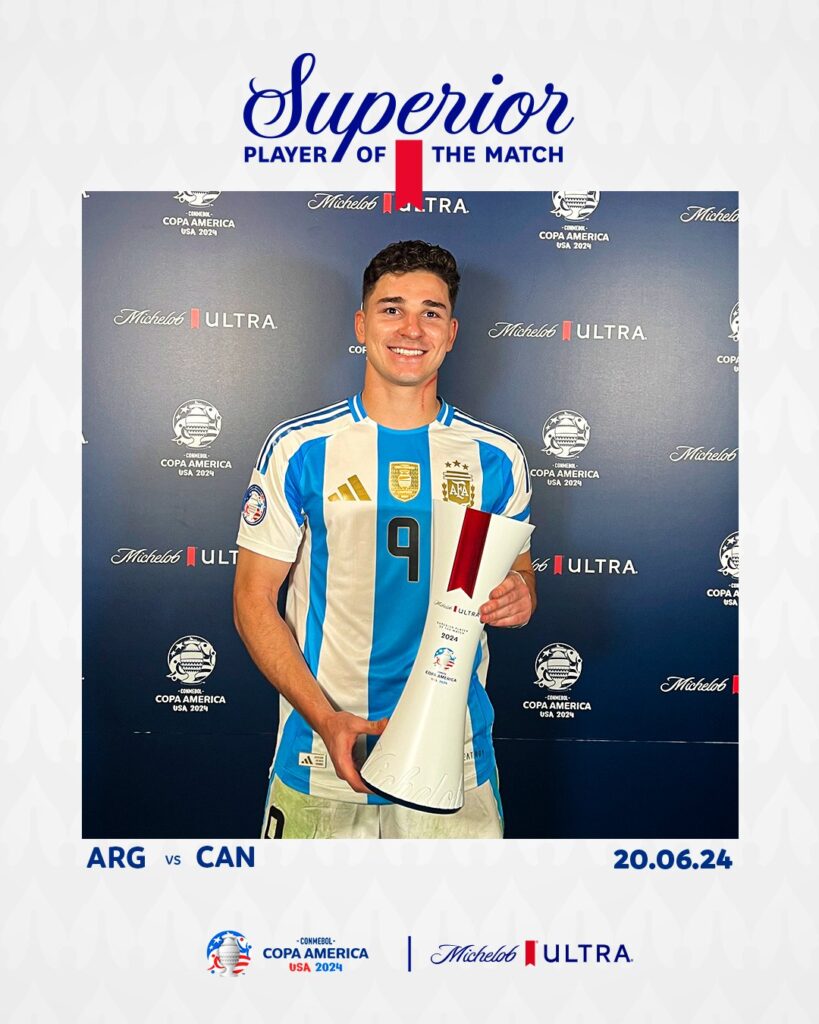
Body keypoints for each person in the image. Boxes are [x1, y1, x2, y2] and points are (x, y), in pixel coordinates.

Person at [233, 240, 535, 839]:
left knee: (460, 935)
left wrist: (521, 597)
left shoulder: (497, 458)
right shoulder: (299, 449)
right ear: (361, 323)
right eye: (391, 308)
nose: (411, 329)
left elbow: (518, 576)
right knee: (306, 934)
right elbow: (251, 601)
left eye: (432, 312)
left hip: (454, 755)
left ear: (452, 332)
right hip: (319, 754)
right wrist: (326, 719)